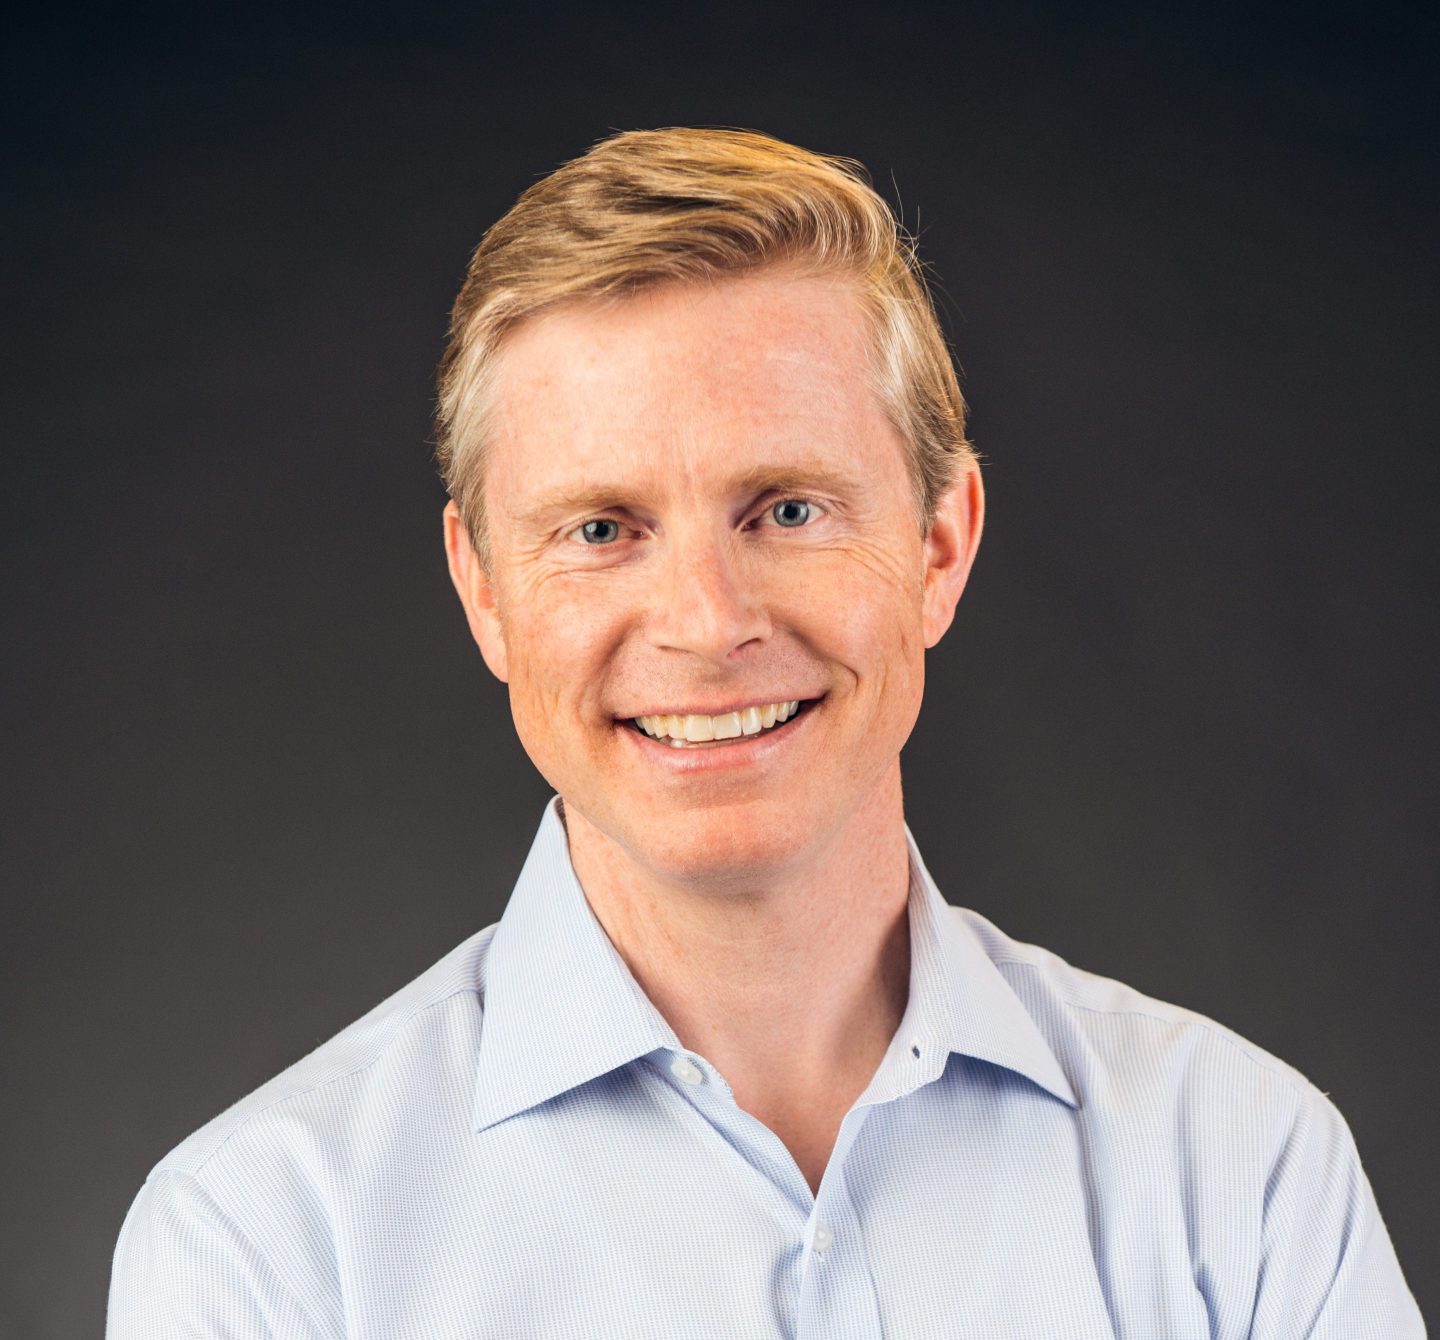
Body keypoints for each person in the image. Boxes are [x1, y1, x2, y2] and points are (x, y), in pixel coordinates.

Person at [107, 128, 1423, 1338]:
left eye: (787, 509)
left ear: (940, 546)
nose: (706, 624)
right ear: (485, 592)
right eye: (600, 529)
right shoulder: (269, 1249)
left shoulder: (1244, 1175)